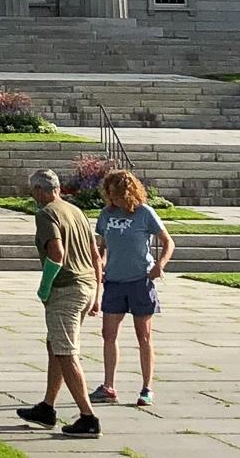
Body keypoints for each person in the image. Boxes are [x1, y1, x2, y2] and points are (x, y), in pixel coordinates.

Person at [17, 168, 103, 437]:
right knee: (55, 344)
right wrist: (97, 294)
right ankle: (47, 407)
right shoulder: (75, 210)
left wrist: (45, 287)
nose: (33, 197)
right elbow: (95, 255)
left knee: (66, 352)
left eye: (33, 192)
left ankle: (88, 418)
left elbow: (57, 253)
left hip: (66, 289)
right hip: (86, 284)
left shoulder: (46, 214)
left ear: (41, 190)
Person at [92, 169, 173, 407]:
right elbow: (102, 246)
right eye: (110, 195)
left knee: (144, 336)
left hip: (140, 281)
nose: (113, 199)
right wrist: (101, 265)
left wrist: (160, 265)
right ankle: (108, 386)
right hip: (115, 282)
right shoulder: (106, 214)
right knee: (108, 334)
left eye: (117, 195)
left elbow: (168, 242)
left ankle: (147, 387)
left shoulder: (144, 213)